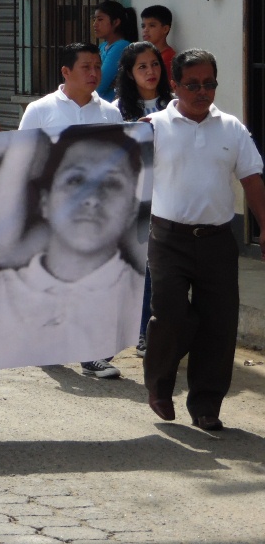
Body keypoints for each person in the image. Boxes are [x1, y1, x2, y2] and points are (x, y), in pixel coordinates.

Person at [0, 125, 145, 371]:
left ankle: (91, 355)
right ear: (45, 200)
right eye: (76, 180)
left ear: (132, 210)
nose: (92, 198)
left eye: (112, 183)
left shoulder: (134, 292)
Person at [144, 49, 265, 431]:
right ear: (175, 85)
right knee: (171, 316)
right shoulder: (152, 127)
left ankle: (207, 404)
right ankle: (160, 386)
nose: (202, 91)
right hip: (166, 239)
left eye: (209, 83)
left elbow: (251, 180)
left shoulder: (231, 128)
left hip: (216, 240)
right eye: (192, 84)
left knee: (219, 323)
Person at [17, 42, 124, 379]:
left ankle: (91, 353)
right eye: (86, 67)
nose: (94, 73)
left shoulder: (110, 113)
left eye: (98, 67)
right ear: (66, 72)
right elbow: (25, 157)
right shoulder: (40, 110)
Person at [113, 41, 172, 356]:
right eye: (142, 66)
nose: (151, 71)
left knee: (168, 269)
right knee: (143, 267)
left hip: (172, 195)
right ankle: (143, 332)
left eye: (155, 64)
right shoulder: (117, 109)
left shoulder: (175, 104)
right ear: (129, 72)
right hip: (134, 198)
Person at [92, 1, 138, 101]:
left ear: (116, 22)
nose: (95, 24)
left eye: (100, 19)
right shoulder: (103, 46)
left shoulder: (121, 47)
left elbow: (99, 86)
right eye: (94, 19)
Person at [141, 5, 176, 76]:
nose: (145, 30)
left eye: (152, 25)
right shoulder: (145, 55)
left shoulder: (168, 58)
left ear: (165, 29)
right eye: (143, 26)